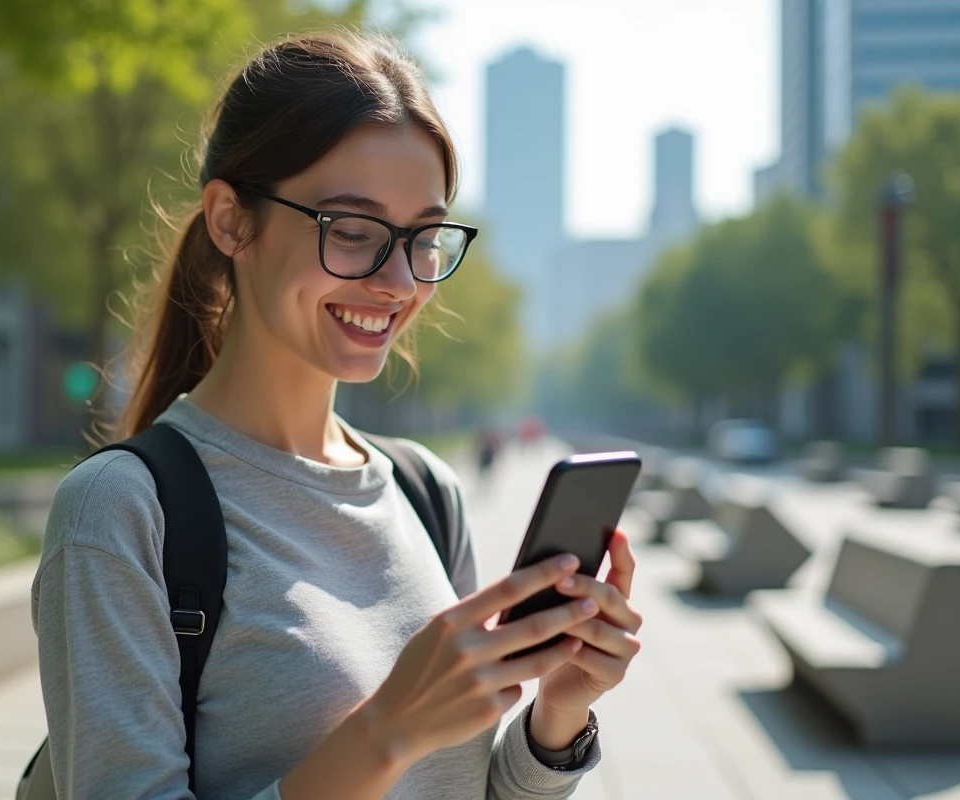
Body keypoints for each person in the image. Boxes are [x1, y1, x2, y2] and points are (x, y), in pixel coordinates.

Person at [32, 30, 643, 800]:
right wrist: (387, 733)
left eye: (423, 238)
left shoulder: (427, 494)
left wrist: (556, 717)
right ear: (229, 220)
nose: (396, 281)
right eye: (352, 232)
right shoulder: (119, 512)